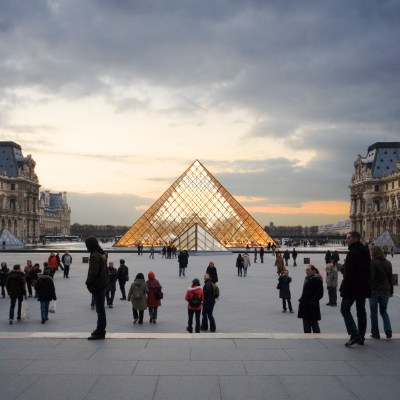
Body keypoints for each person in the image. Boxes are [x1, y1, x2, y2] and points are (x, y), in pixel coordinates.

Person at [340, 231, 371, 347]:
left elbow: (349, 273)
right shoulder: (366, 251)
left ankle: (354, 334)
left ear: (355, 239)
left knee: (344, 309)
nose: (346, 240)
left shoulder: (352, 253)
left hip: (352, 287)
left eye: (348, 238)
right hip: (363, 286)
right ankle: (361, 337)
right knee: (361, 311)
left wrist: (343, 269)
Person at [85, 236, 108, 340]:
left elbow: (93, 273)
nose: (86, 247)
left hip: (97, 286)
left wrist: (88, 283)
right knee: (100, 309)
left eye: (87, 244)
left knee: (100, 310)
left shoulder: (94, 256)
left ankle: (100, 331)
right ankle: (100, 329)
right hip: (102, 285)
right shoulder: (101, 254)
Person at [369, 246, 393, 339]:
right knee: (383, 311)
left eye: (371, 252)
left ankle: (375, 333)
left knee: (373, 313)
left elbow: (371, 277)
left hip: (374, 290)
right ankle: (388, 329)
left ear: (374, 253)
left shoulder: (373, 263)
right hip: (386, 289)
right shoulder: (388, 263)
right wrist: (391, 291)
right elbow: (390, 278)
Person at [298, 265, 323, 333]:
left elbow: (320, 294)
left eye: (308, 270)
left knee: (314, 323)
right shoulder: (307, 278)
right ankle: (307, 337)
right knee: (306, 324)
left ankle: (317, 337)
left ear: (313, 271)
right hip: (305, 305)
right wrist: (302, 299)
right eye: (306, 270)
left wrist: (312, 301)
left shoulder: (317, 280)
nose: (306, 271)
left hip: (312, 306)